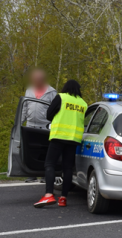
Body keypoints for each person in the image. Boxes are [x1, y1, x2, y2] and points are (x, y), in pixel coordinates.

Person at [34, 80, 87, 208]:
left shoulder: (61, 97)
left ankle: (48, 195)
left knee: (49, 164)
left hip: (59, 136)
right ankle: (63, 198)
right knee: (67, 168)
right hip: (74, 139)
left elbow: (48, 114)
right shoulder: (83, 103)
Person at [22, 69, 57, 183]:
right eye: (34, 79)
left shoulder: (52, 92)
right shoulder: (29, 91)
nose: (36, 81)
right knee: (31, 151)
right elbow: (25, 107)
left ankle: (43, 175)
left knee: (45, 151)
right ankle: (31, 174)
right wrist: (20, 122)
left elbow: (55, 110)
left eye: (38, 79)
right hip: (30, 125)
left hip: (45, 126)